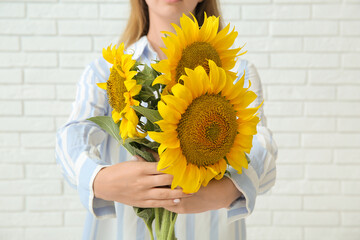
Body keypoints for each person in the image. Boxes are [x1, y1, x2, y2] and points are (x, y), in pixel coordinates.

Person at [55, 0, 277, 239]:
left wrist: (230, 188)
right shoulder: (109, 71)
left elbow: (260, 144)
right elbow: (73, 135)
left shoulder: (237, 71)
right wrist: (99, 179)